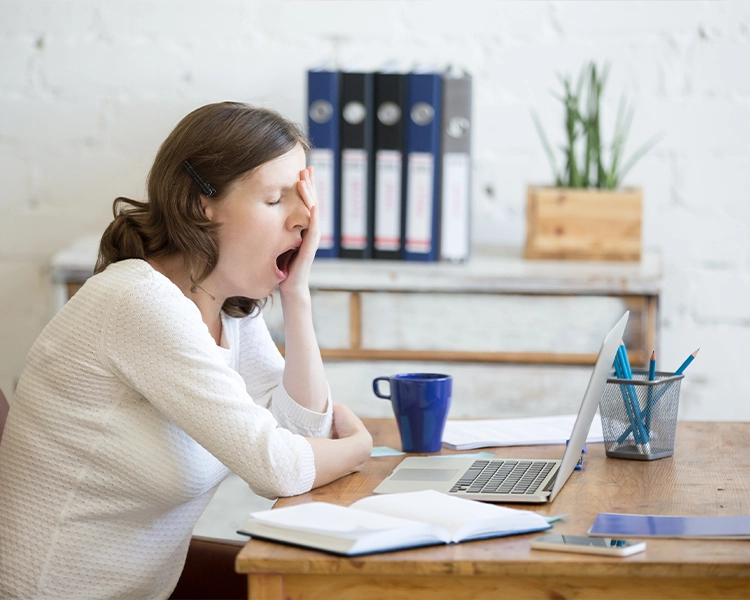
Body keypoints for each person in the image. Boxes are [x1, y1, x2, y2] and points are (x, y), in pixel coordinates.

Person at [0, 102, 373, 599]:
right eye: (276, 199)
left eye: (303, 197)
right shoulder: (137, 300)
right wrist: (359, 449)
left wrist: (296, 296)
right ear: (202, 203)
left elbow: (302, 435)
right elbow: (280, 467)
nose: (305, 219)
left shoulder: (227, 306)